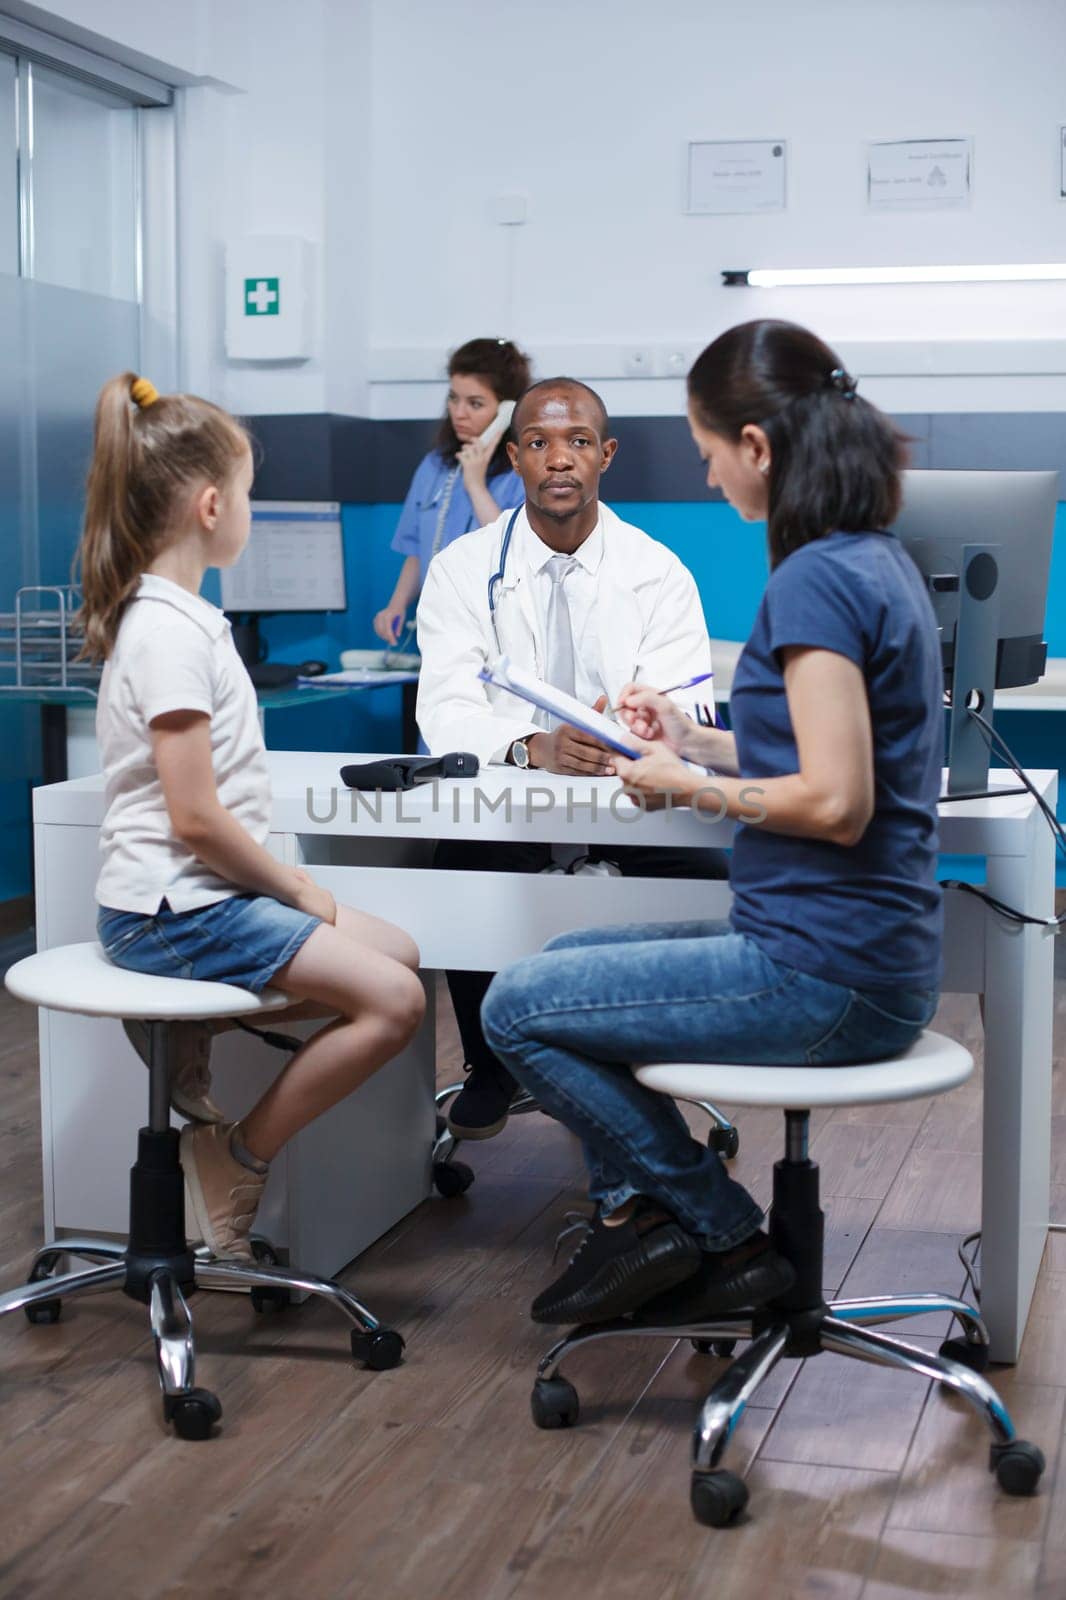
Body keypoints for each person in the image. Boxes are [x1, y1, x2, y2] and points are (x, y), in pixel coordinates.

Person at [481, 320, 944, 1328]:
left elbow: (833, 799)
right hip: (861, 956)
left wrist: (678, 784)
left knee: (515, 1005)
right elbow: (824, 753)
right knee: (568, 954)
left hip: (820, 973)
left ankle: (713, 1230)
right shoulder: (874, 559)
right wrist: (694, 738)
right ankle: (647, 1223)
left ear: (758, 447)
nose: (706, 480)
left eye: (706, 454)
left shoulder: (815, 577)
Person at [80, 374, 425, 1261]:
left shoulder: (183, 622)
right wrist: (297, 888)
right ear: (207, 505)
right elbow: (194, 819)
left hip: (196, 904)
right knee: (394, 1001)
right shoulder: (167, 635)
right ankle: (236, 1159)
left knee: (398, 954)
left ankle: (196, 1037)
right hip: (175, 912)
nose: (249, 512)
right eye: (246, 495)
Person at [417, 376, 726, 1141]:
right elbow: (446, 711)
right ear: (515, 458)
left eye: (579, 442)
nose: (560, 460)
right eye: (541, 443)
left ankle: (634, 1073)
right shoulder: (462, 568)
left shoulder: (657, 572)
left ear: (605, 455)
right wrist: (533, 746)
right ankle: (488, 1062)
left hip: (631, 805)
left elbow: (689, 706)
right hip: (516, 801)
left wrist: (630, 730)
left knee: (704, 874)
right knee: (460, 859)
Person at [372, 337, 531, 644]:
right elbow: (419, 549)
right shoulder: (435, 466)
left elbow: (510, 549)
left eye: (475, 403)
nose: (459, 413)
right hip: (440, 631)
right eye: (453, 398)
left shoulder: (522, 470)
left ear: (508, 411)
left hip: (497, 634)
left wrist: (475, 484)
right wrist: (396, 605)